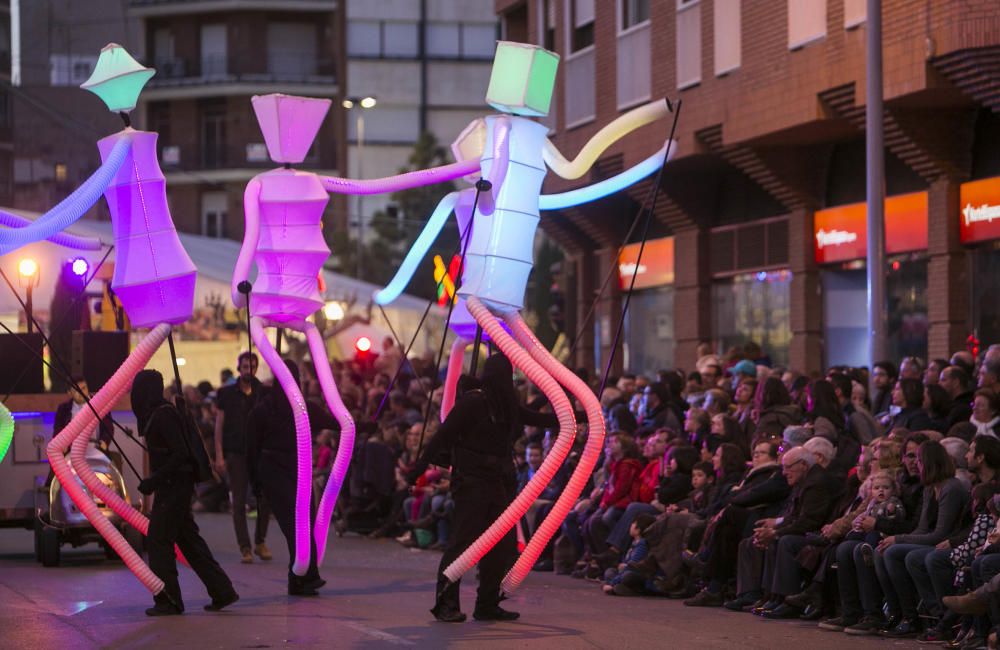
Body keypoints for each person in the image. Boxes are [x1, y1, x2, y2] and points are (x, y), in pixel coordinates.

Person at [410, 353, 558, 623]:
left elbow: (532, 417)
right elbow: (444, 435)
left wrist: (577, 417)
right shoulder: (474, 402)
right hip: (471, 481)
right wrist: (418, 468)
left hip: (496, 481)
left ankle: (487, 603)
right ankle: (446, 603)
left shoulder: (505, 405)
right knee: (463, 542)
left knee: (500, 544)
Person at [132, 369, 238, 616]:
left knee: (158, 541)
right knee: (190, 543)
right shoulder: (163, 413)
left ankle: (168, 599)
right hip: (174, 485)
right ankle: (222, 591)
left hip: (174, 487)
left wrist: (154, 481)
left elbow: (180, 454)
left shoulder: (163, 416)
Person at [247, 359, 326, 596]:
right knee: (294, 526)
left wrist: (362, 427)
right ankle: (305, 575)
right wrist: (256, 482)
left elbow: (331, 422)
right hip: (273, 470)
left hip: (298, 468)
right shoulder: (263, 409)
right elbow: (251, 448)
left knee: (307, 522)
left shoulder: (303, 408)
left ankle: (300, 578)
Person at [215, 351, 271, 563]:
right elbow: (220, 425)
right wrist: (219, 455)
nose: (249, 370)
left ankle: (260, 541)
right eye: (245, 366)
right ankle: (245, 546)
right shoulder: (226, 393)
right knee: (238, 501)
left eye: (252, 367)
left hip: (258, 453)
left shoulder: (263, 392)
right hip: (236, 452)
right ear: (239, 368)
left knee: (263, 498)